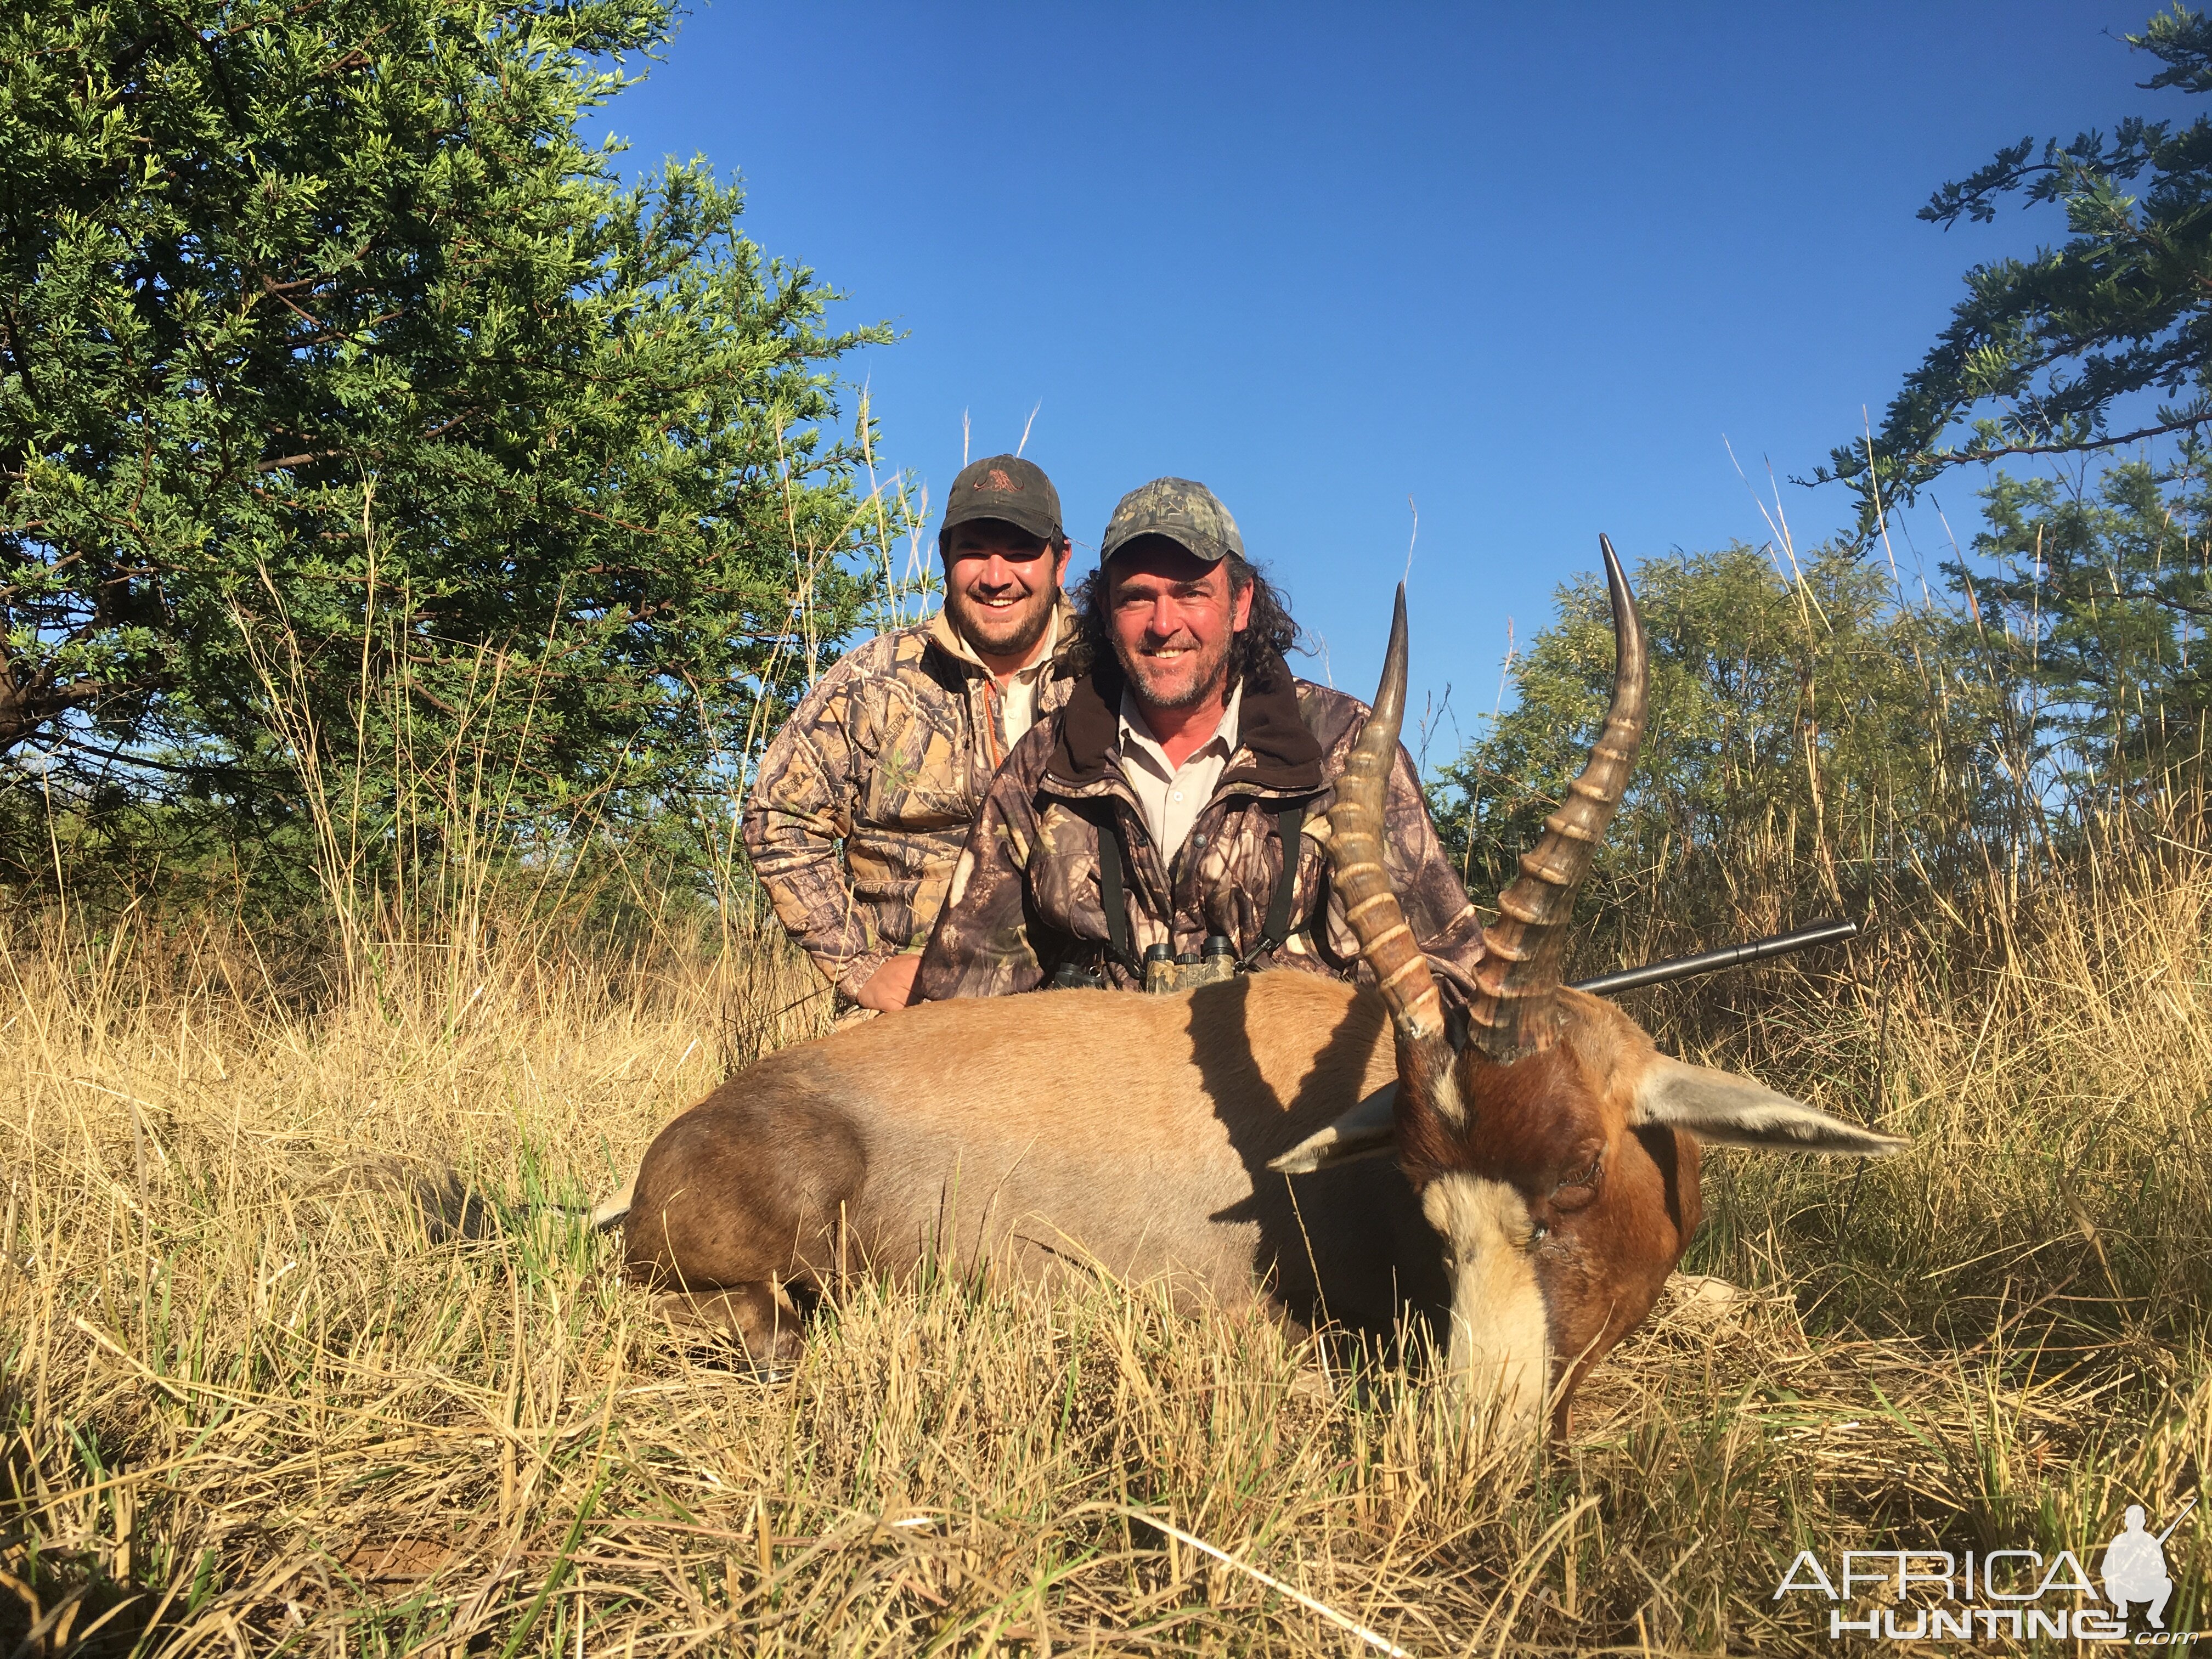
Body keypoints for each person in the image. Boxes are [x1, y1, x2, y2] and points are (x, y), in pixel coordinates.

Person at [913, 476, 1483, 1000]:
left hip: (1297, 1099)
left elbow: (1447, 978)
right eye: (1136, 597)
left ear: (1240, 604)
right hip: (1094, 1093)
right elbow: (956, 999)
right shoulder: (1045, 766)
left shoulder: (1342, 748)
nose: (1163, 624)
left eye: (1191, 593)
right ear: (1106, 612)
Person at [744, 455, 1077, 1014]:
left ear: (1060, 561)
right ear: (944, 555)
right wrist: (860, 966)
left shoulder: (1110, 675)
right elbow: (778, 815)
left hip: (1078, 1013)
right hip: (916, 1013)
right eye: (975, 550)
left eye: (1020, 551)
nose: (997, 577)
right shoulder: (875, 679)